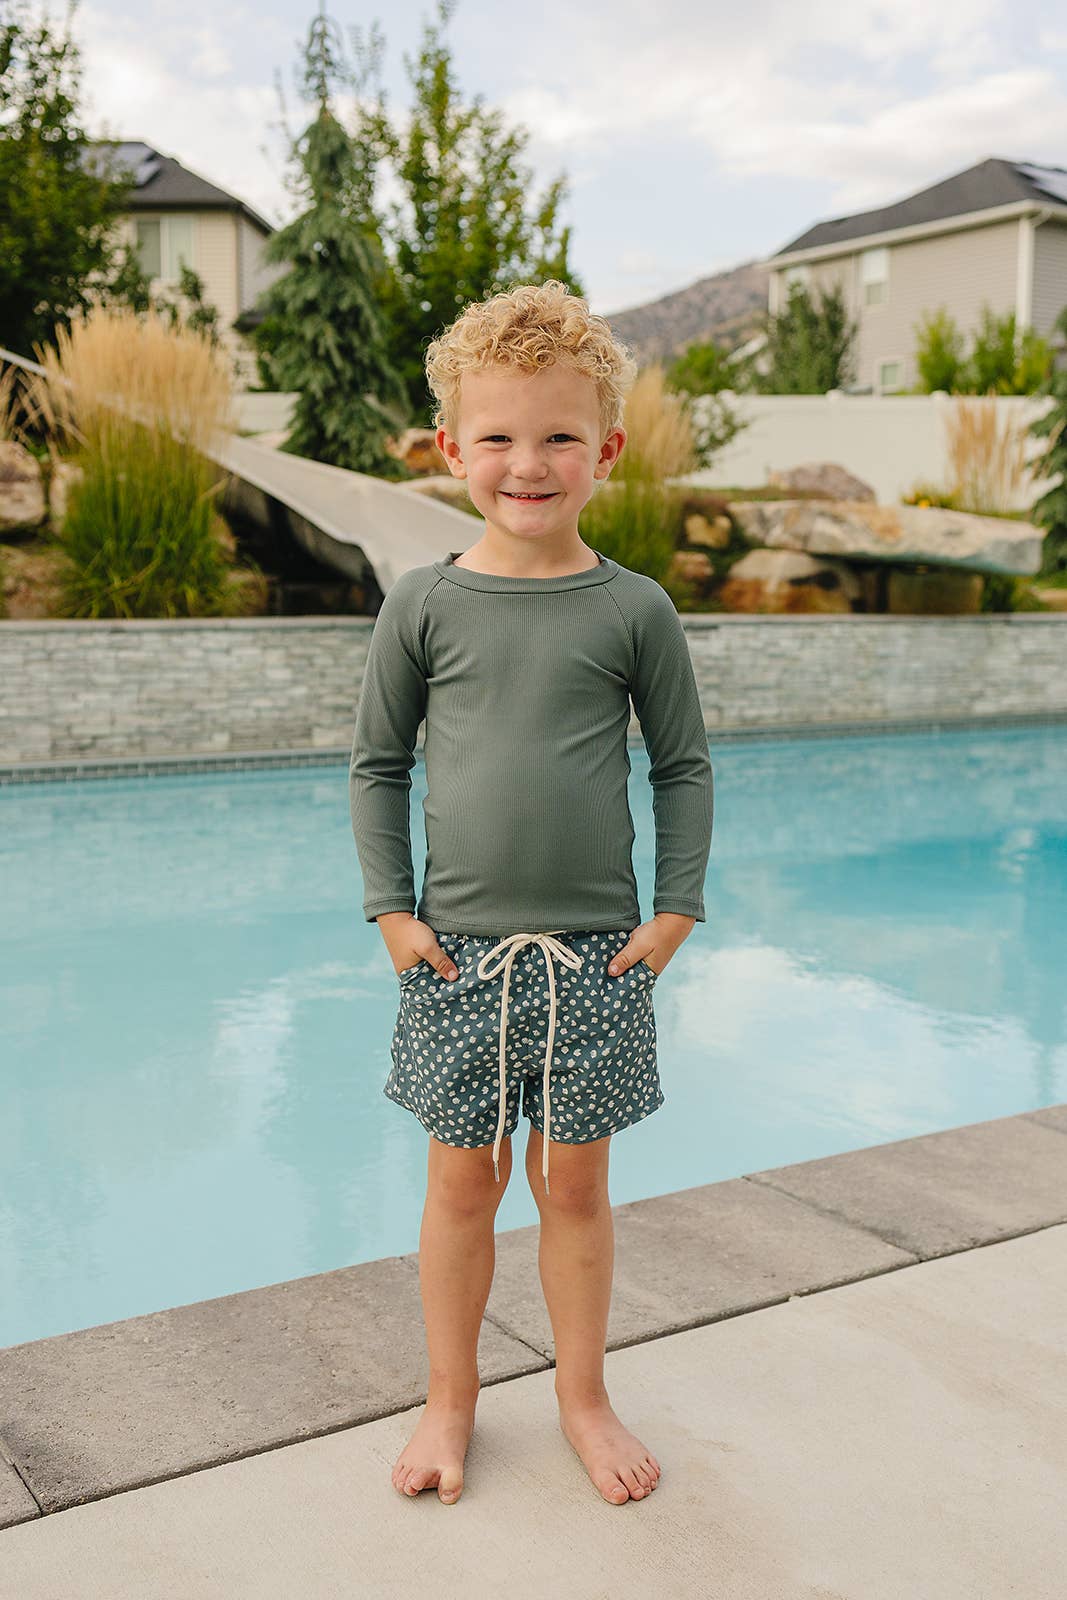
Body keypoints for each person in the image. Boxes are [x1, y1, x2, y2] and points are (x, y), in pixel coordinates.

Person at [349, 279, 714, 1507]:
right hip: (452, 955)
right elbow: (377, 764)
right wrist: (392, 913)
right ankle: (448, 1397)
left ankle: (580, 1393)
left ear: (604, 448)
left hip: (598, 957)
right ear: (450, 447)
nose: (526, 462)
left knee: (574, 1183)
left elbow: (680, 765)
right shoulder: (423, 603)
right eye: (496, 436)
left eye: (558, 435)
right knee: (462, 1182)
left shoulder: (632, 609)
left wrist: (670, 917)